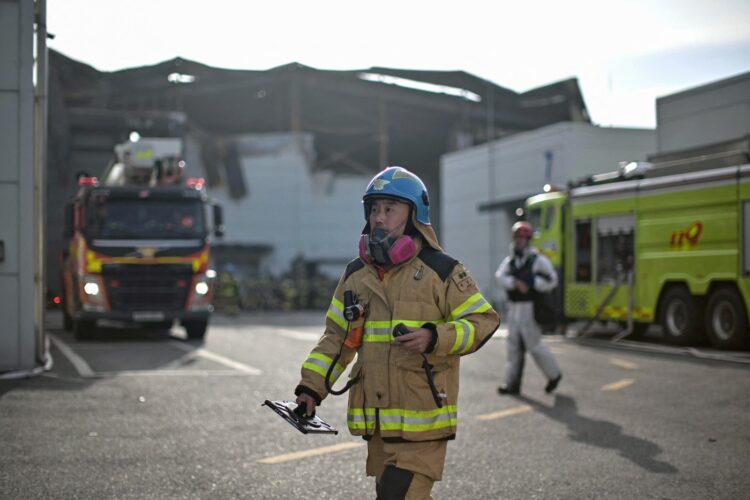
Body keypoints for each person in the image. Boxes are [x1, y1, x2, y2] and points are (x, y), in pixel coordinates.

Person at [294, 166, 500, 499]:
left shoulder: (442, 270)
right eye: (374, 209)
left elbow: (483, 321)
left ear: (414, 215)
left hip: (423, 425)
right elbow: (336, 338)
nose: (379, 217)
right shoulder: (356, 275)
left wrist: (434, 338)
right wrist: (311, 388)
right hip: (378, 426)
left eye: (390, 209)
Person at [495, 221, 562, 395]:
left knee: (534, 345)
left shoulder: (538, 260)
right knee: (513, 347)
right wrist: (515, 283)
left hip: (530, 308)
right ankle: (512, 384)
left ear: (528, 240)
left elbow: (552, 280)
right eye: (517, 238)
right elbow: (500, 276)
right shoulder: (510, 261)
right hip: (514, 308)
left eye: (522, 238)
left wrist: (532, 283)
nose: (519, 241)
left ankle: (554, 375)